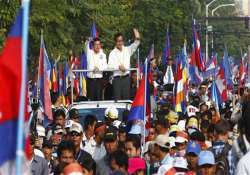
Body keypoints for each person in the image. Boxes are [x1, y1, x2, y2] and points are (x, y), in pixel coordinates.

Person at [108, 28, 140, 100]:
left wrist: (137, 36)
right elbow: (109, 66)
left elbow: (136, 44)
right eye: (118, 41)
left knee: (126, 99)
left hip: (126, 79)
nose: (120, 43)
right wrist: (118, 67)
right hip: (117, 79)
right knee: (118, 99)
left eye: (121, 41)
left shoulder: (127, 50)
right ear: (115, 42)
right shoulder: (112, 53)